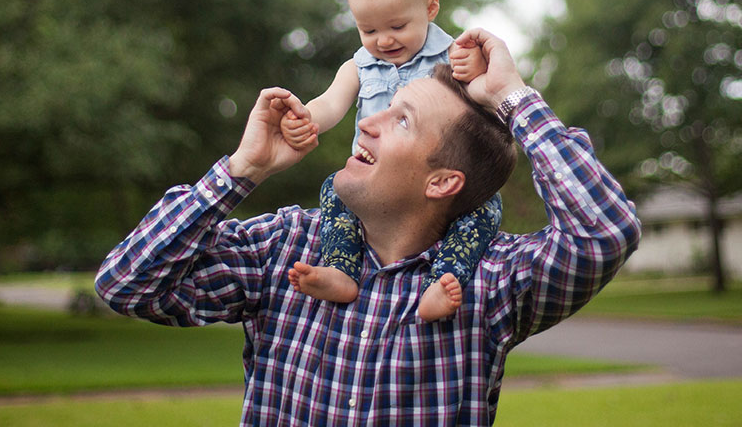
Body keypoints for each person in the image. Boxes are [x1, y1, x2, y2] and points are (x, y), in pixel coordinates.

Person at [95, 28, 641, 426]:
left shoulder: (490, 285)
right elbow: (126, 283)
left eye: (402, 119)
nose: (368, 121)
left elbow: (604, 231)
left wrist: (512, 98)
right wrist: (243, 170)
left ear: (442, 182)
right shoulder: (286, 248)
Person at [280, 0, 496, 321]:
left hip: (442, 180)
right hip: (377, 175)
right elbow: (331, 104)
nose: (383, 40)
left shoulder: (451, 55)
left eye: (397, 26)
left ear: (430, 8)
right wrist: (305, 118)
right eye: (369, 29)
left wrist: (478, 64)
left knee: (484, 209)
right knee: (334, 194)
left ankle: (446, 277)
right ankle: (342, 270)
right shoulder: (359, 66)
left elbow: (486, 101)